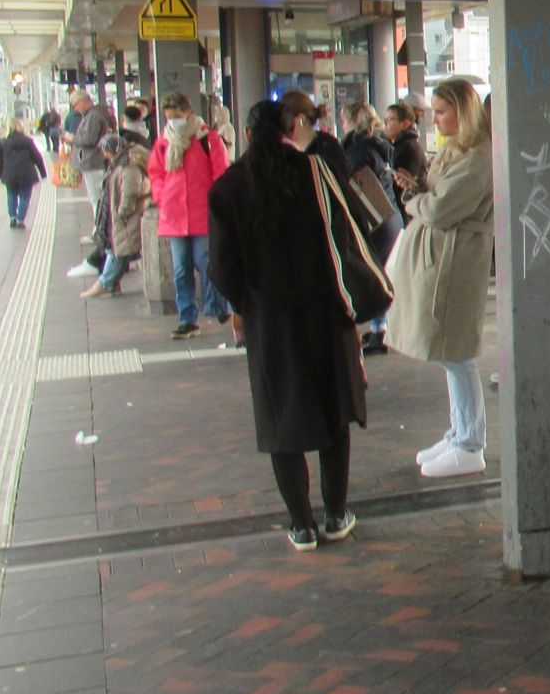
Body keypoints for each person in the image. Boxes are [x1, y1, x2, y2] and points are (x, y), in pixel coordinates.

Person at [207, 100, 367, 551]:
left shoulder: (227, 188)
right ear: (290, 129)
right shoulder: (316, 173)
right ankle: (336, 513)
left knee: (282, 419)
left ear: (245, 133)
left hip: (269, 321)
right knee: (333, 412)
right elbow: (350, 229)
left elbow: (221, 266)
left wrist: (245, 302)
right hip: (326, 311)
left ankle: (301, 524)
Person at [387, 78, 496, 479]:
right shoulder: (459, 151)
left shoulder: (478, 158)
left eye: (441, 111)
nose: (434, 119)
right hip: (447, 258)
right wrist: (420, 190)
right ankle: (460, 433)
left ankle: (469, 442)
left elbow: (440, 209)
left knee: (455, 351)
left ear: (461, 112)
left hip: (456, 261)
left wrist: (416, 199)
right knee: (449, 352)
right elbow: (437, 199)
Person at [146, 93, 231, 339]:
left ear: (188, 112)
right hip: (173, 214)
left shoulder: (208, 139)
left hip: (201, 212)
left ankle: (216, 306)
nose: (173, 121)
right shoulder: (164, 142)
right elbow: (155, 173)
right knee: (181, 269)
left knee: (205, 262)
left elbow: (220, 172)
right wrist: (161, 195)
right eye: (169, 117)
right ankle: (187, 319)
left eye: (177, 116)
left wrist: (217, 204)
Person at [341, 102, 401, 354]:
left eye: (344, 119)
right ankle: (380, 329)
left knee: (374, 276)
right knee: (380, 273)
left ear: (351, 122)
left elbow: (353, 187)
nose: (342, 124)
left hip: (376, 220)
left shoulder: (358, 150)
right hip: (390, 216)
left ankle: (380, 332)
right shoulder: (378, 144)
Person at [83, 132, 150, 298]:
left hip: (126, 218)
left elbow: (130, 192)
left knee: (118, 250)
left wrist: (122, 212)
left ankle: (105, 283)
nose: (103, 153)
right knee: (118, 249)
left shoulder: (128, 166)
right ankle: (110, 283)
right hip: (120, 217)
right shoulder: (119, 163)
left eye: (105, 150)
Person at [67, 89, 112, 242]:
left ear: (83, 101)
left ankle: (99, 231)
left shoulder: (93, 116)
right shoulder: (94, 114)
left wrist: (72, 139)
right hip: (94, 161)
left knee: (96, 197)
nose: (75, 108)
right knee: (97, 197)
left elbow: (89, 139)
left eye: (75, 104)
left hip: (93, 162)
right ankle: (99, 230)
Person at [0, 118, 46, 230]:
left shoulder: (3, 141)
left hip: (9, 174)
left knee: (11, 195)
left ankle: (13, 218)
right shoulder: (28, 141)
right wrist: (43, 173)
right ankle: (20, 220)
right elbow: (37, 157)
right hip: (26, 174)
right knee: (25, 197)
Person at [384, 102, 427, 213]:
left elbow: (400, 189)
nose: (385, 124)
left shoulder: (407, 149)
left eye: (389, 120)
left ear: (405, 124)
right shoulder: (401, 146)